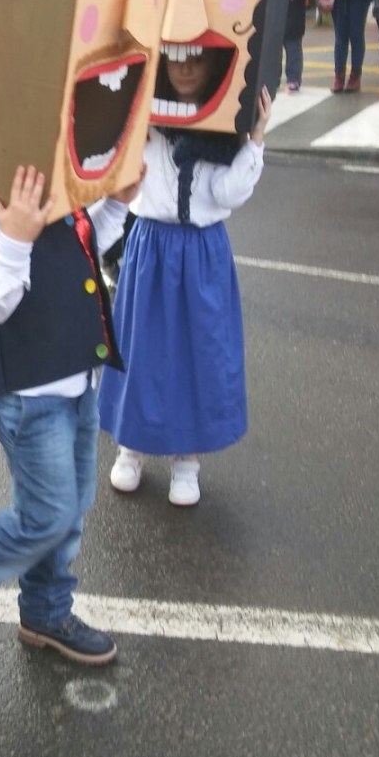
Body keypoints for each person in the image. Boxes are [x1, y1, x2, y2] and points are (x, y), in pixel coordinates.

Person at [0, 164, 139, 665]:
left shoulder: (54, 186)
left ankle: (45, 611)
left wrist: (116, 203)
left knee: (70, 509)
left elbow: (81, 249)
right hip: (27, 394)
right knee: (47, 515)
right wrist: (17, 238)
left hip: (76, 379)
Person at [98, 54, 272, 507]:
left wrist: (254, 138)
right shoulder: (146, 115)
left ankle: (186, 460)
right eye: (177, 59)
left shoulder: (222, 124)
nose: (186, 69)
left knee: (198, 354)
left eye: (198, 60)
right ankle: (132, 447)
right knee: (141, 348)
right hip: (150, 246)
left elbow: (227, 192)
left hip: (201, 251)